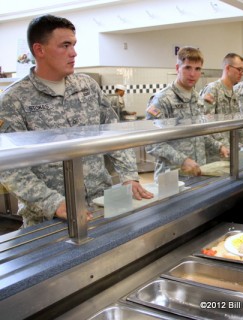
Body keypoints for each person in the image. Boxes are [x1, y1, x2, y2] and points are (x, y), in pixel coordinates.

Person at [0, 15, 153, 228]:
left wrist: (129, 176)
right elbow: (9, 166)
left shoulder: (87, 86)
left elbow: (115, 133)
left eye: (73, 44)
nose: (73, 53)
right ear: (39, 50)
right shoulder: (14, 99)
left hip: (100, 206)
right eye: (64, 45)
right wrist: (53, 202)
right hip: (49, 218)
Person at [145, 46, 229, 179]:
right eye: (187, 68)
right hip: (172, 177)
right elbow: (152, 143)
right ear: (178, 68)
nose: (193, 74)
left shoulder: (197, 98)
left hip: (198, 172)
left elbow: (199, 133)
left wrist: (218, 146)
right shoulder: (162, 99)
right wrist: (182, 160)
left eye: (197, 69)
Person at [200, 53, 243, 153]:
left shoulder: (234, 92)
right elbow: (206, 126)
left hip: (232, 150)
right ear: (228, 68)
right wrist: (221, 146)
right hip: (217, 153)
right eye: (239, 69)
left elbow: (236, 123)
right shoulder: (212, 90)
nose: (242, 73)